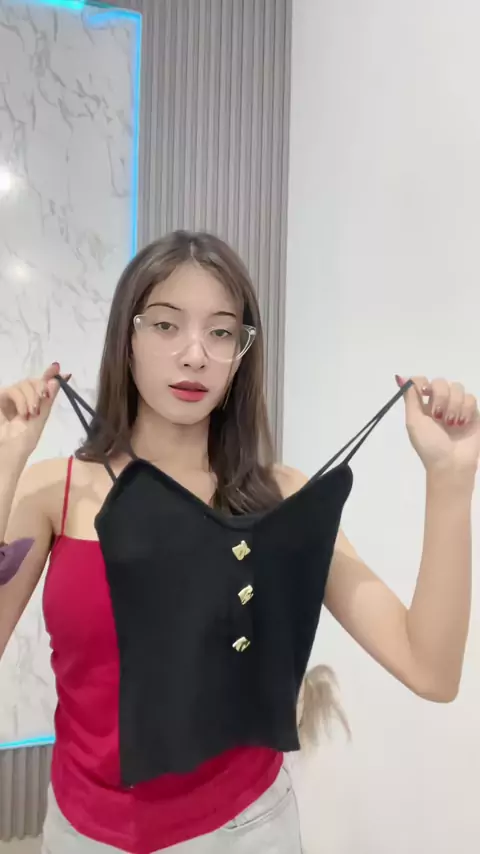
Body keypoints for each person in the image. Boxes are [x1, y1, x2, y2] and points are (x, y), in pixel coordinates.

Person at [0, 230, 477, 854]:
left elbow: (430, 669)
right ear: (127, 338)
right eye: (166, 325)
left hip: (245, 832)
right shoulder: (52, 492)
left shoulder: (282, 499)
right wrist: (6, 460)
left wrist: (451, 480)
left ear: (241, 353)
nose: (195, 354)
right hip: (81, 832)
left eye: (222, 332)